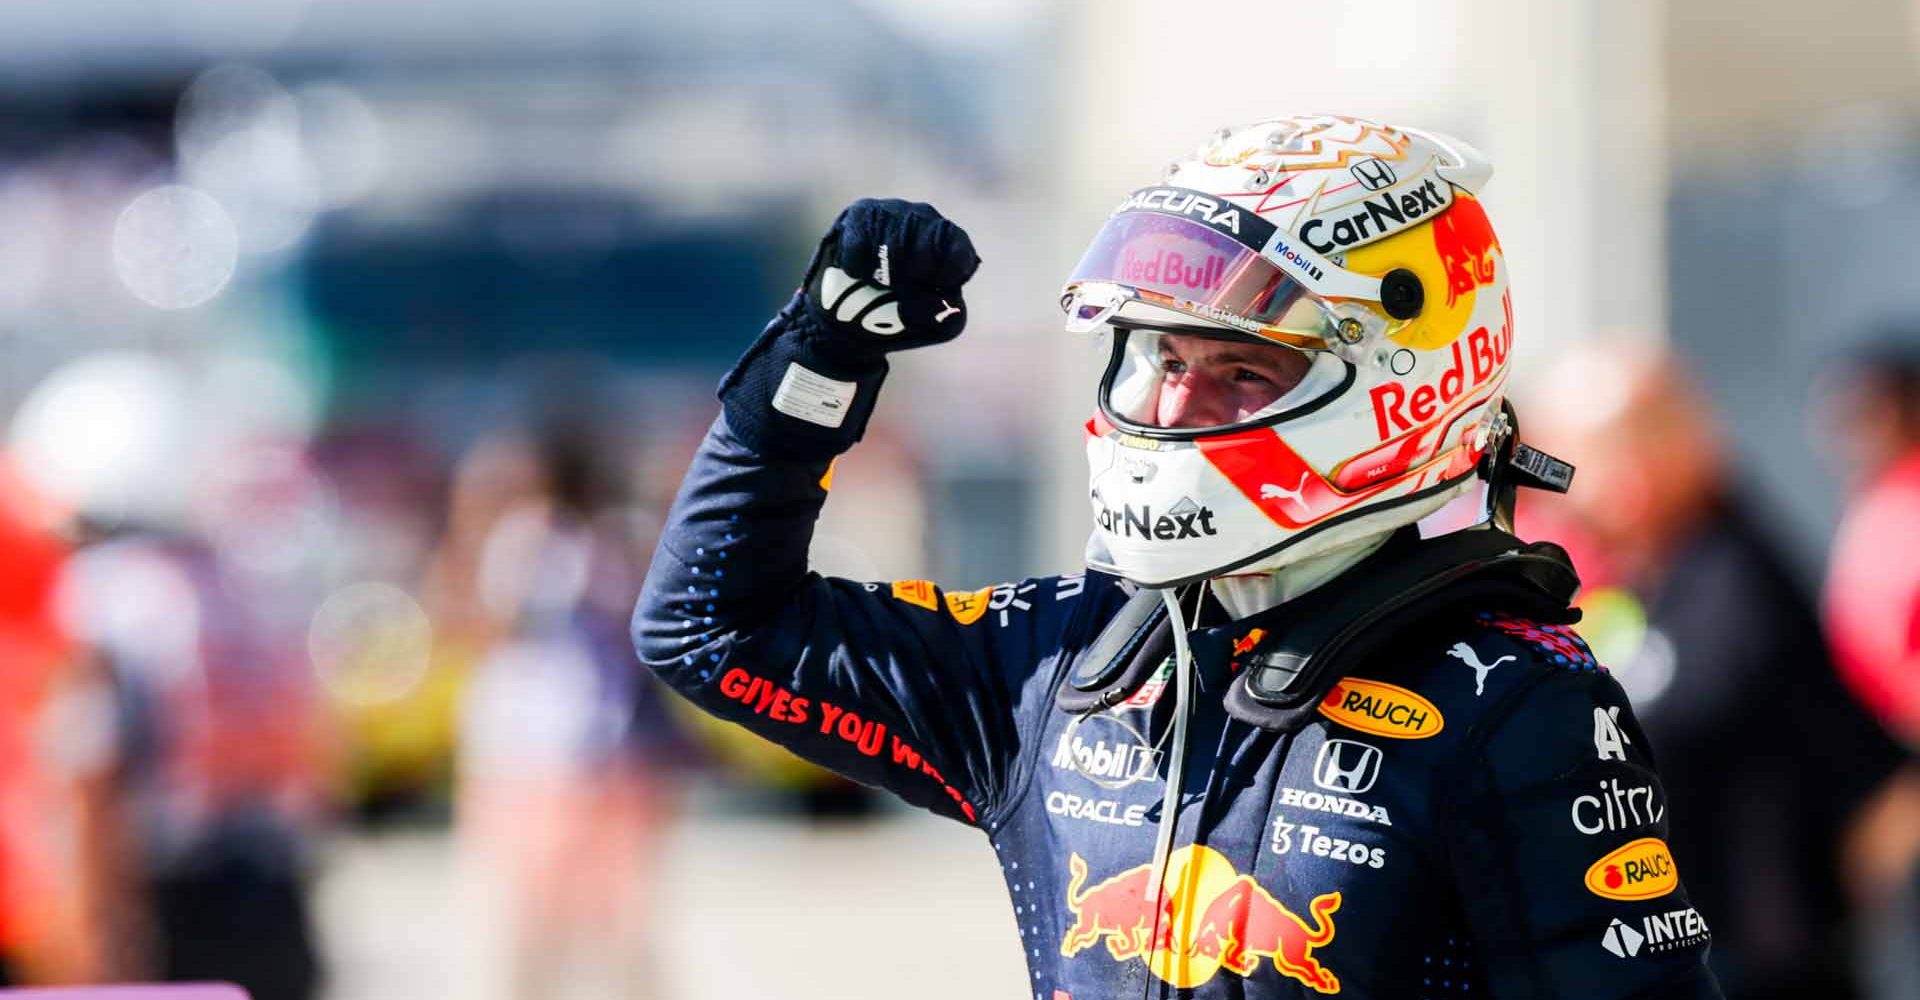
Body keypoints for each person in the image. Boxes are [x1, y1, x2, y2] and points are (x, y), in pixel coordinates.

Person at [634, 115, 1723, 998]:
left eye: (1242, 371)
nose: (1175, 402)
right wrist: (822, 354)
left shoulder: (1518, 706)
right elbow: (710, 629)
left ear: (1408, 381)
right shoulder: (1061, 663)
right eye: (1159, 354)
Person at [1521, 341, 1904, 1000]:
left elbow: (1881, 794)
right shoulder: (1655, 577)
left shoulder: (1736, 592)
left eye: (1562, 467)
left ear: (1630, 468)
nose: (1555, 496)